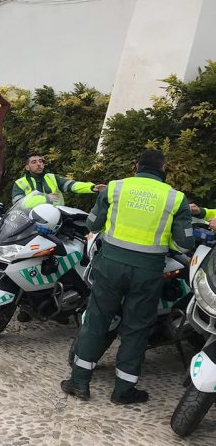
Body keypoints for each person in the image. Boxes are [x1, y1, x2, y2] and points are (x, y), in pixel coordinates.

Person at [61, 149, 194, 404]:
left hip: (110, 266)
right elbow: (184, 242)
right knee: (137, 328)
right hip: (148, 271)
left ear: (136, 166)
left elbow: (92, 225)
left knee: (97, 322)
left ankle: (79, 382)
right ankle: (123, 391)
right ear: (163, 170)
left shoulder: (115, 188)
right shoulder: (176, 199)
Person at [12, 153, 106, 204]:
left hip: (55, 218)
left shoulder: (52, 177)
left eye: (40, 161)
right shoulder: (20, 183)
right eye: (34, 162)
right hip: (30, 220)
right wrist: (45, 198)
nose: (39, 164)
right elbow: (19, 204)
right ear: (27, 167)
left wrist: (91, 187)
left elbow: (72, 185)